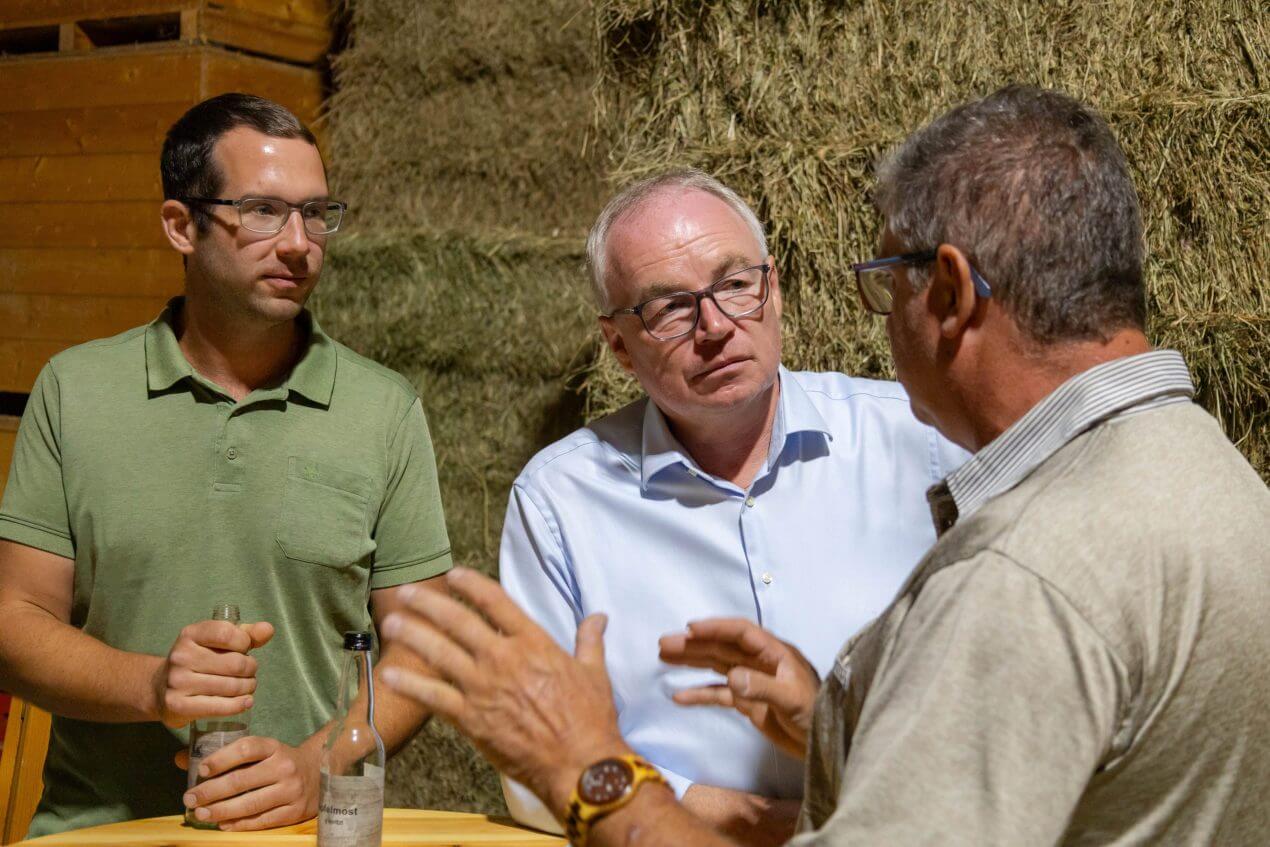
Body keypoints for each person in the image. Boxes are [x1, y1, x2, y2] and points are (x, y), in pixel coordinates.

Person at [381, 85, 1270, 845]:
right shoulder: (1214, 474)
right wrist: (833, 731)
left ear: (951, 293)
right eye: (671, 306)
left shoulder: (1019, 572)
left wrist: (589, 768)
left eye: (889, 280)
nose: (717, 323)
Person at [0, 93, 452, 837]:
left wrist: (318, 764)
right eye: (265, 211)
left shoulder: (384, 411)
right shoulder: (75, 391)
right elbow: (15, 624)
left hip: (302, 833)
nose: (300, 242)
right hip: (102, 829)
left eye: (316, 213)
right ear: (182, 225)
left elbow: (425, 652)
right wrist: (151, 684)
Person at [498, 169, 965, 843]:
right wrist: (767, 825)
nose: (714, 326)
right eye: (668, 308)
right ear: (618, 345)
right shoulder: (560, 502)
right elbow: (532, 765)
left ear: (773, 290)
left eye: (735, 284)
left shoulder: (921, 443)